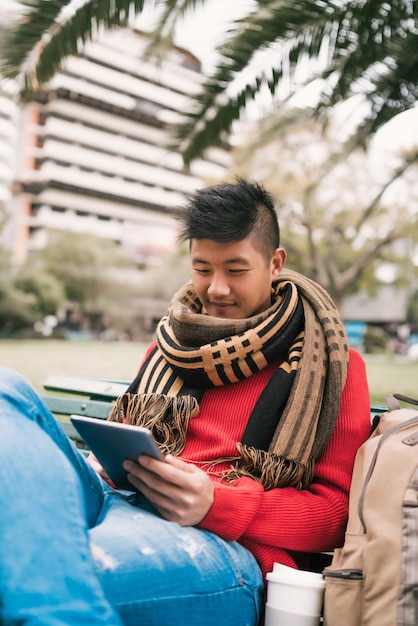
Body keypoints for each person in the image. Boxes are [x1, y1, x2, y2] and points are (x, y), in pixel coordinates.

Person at [0, 179, 371, 626]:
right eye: (203, 268)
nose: (216, 288)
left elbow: (334, 515)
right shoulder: (171, 342)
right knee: (7, 388)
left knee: (65, 568)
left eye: (235, 270)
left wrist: (218, 504)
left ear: (275, 263)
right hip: (121, 497)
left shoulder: (332, 365)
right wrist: (113, 465)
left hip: (224, 549)